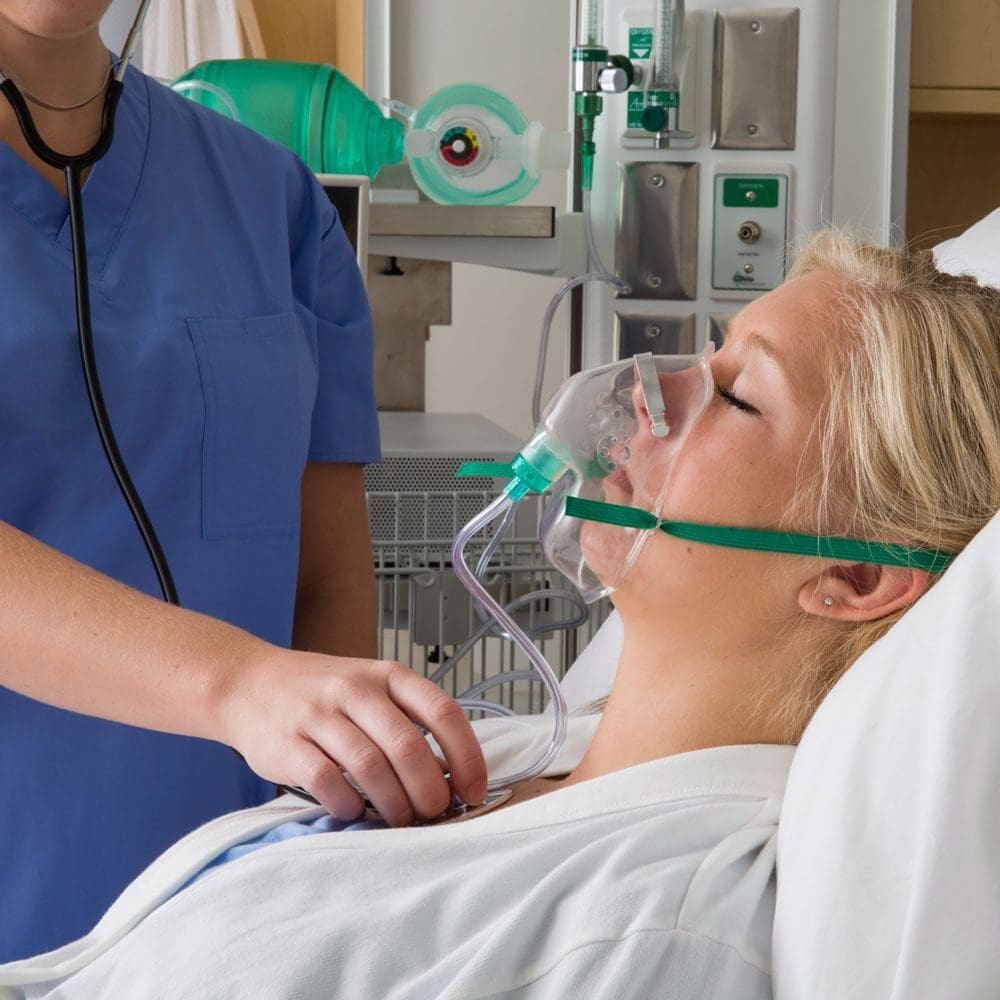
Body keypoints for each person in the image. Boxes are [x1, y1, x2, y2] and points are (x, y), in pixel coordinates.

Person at [5, 230, 998, 998]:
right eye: (709, 352)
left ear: (856, 581)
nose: (648, 397)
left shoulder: (657, 926)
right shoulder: (522, 752)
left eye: (736, 395)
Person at [0, 0, 486, 963]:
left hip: (228, 918)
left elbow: (329, 576)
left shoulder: (271, 200)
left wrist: (327, 844)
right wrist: (238, 685)